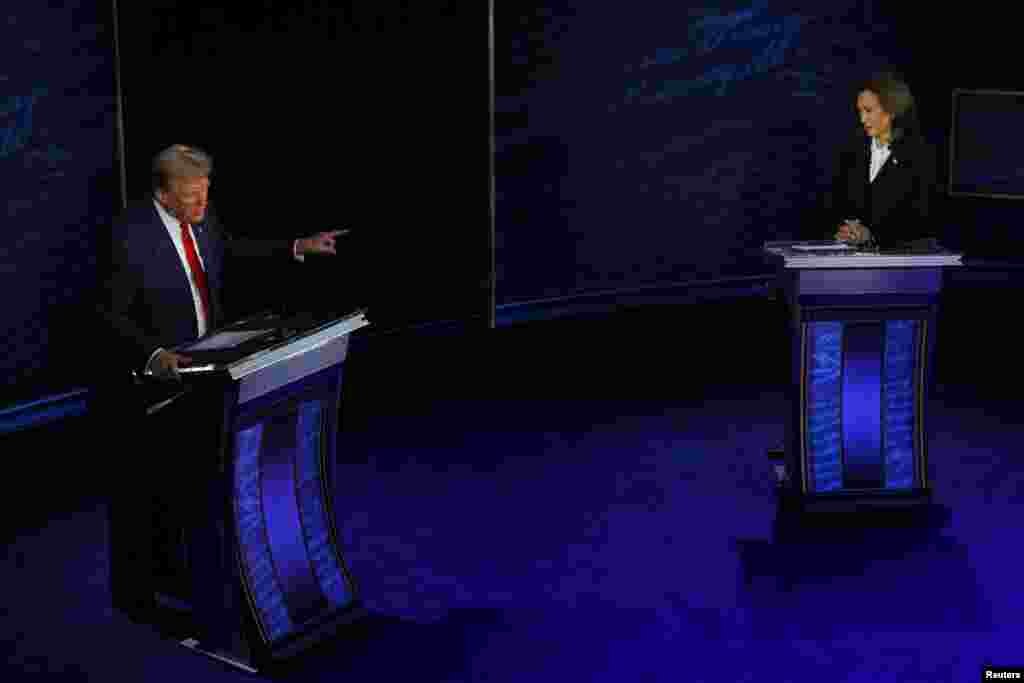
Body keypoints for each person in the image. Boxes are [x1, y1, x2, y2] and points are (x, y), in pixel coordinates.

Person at [97, 143, 347, 622]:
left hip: (206, 378)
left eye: (206, 196)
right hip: (151, 387)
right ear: (164, 196)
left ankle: (188, 580)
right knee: (148, 496)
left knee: (194, 489)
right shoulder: (127, 237)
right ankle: (139, 602)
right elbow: (108, 315)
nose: (202, 207)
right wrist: (153, 355)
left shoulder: (203, 217)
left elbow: (230, 249)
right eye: (192, 199)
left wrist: (295, 246)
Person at [826, 72, 938, 248]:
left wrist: (872, 235)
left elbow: (923, 220)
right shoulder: (851, 151)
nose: (862, 119)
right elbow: (833, 203)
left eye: (868, 111)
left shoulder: (919, 156)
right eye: (859, 111)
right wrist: (845, 229)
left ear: (891, 110)